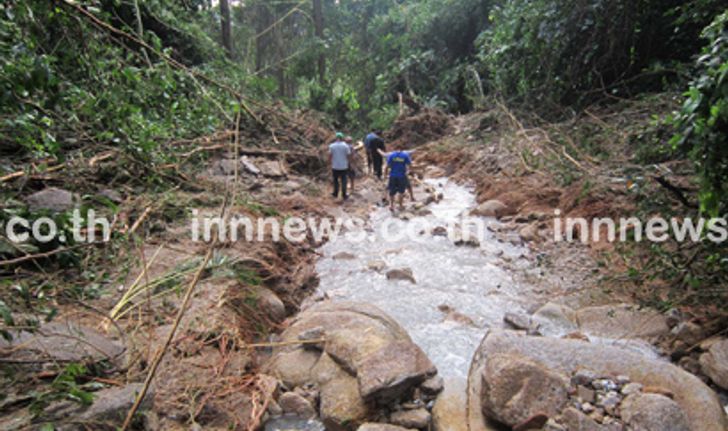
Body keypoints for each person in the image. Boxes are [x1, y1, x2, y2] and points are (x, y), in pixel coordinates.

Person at [385, 145, 412, 211]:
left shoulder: (391, 155)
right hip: (402, 176)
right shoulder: (405, 155)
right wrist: (408, 171)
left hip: (393, 176)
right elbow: (410, 165)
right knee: (401, 192)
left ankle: (391, 206)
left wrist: (385, 175)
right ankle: (400, 205)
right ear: (402, 149)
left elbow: (387, 166)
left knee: (392, 191)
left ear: (395, 149)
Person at [329, 132, 351, 200]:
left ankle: (335, 193)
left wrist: (330, 163)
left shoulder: (331, 146)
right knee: (344, 180)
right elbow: (348, 155)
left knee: (335, 180)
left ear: (336, 138)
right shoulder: (346, 146)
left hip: (335, 166)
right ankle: (344, 194)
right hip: (343, 166)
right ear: (342, 138)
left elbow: (330, 155)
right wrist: (348, 163)